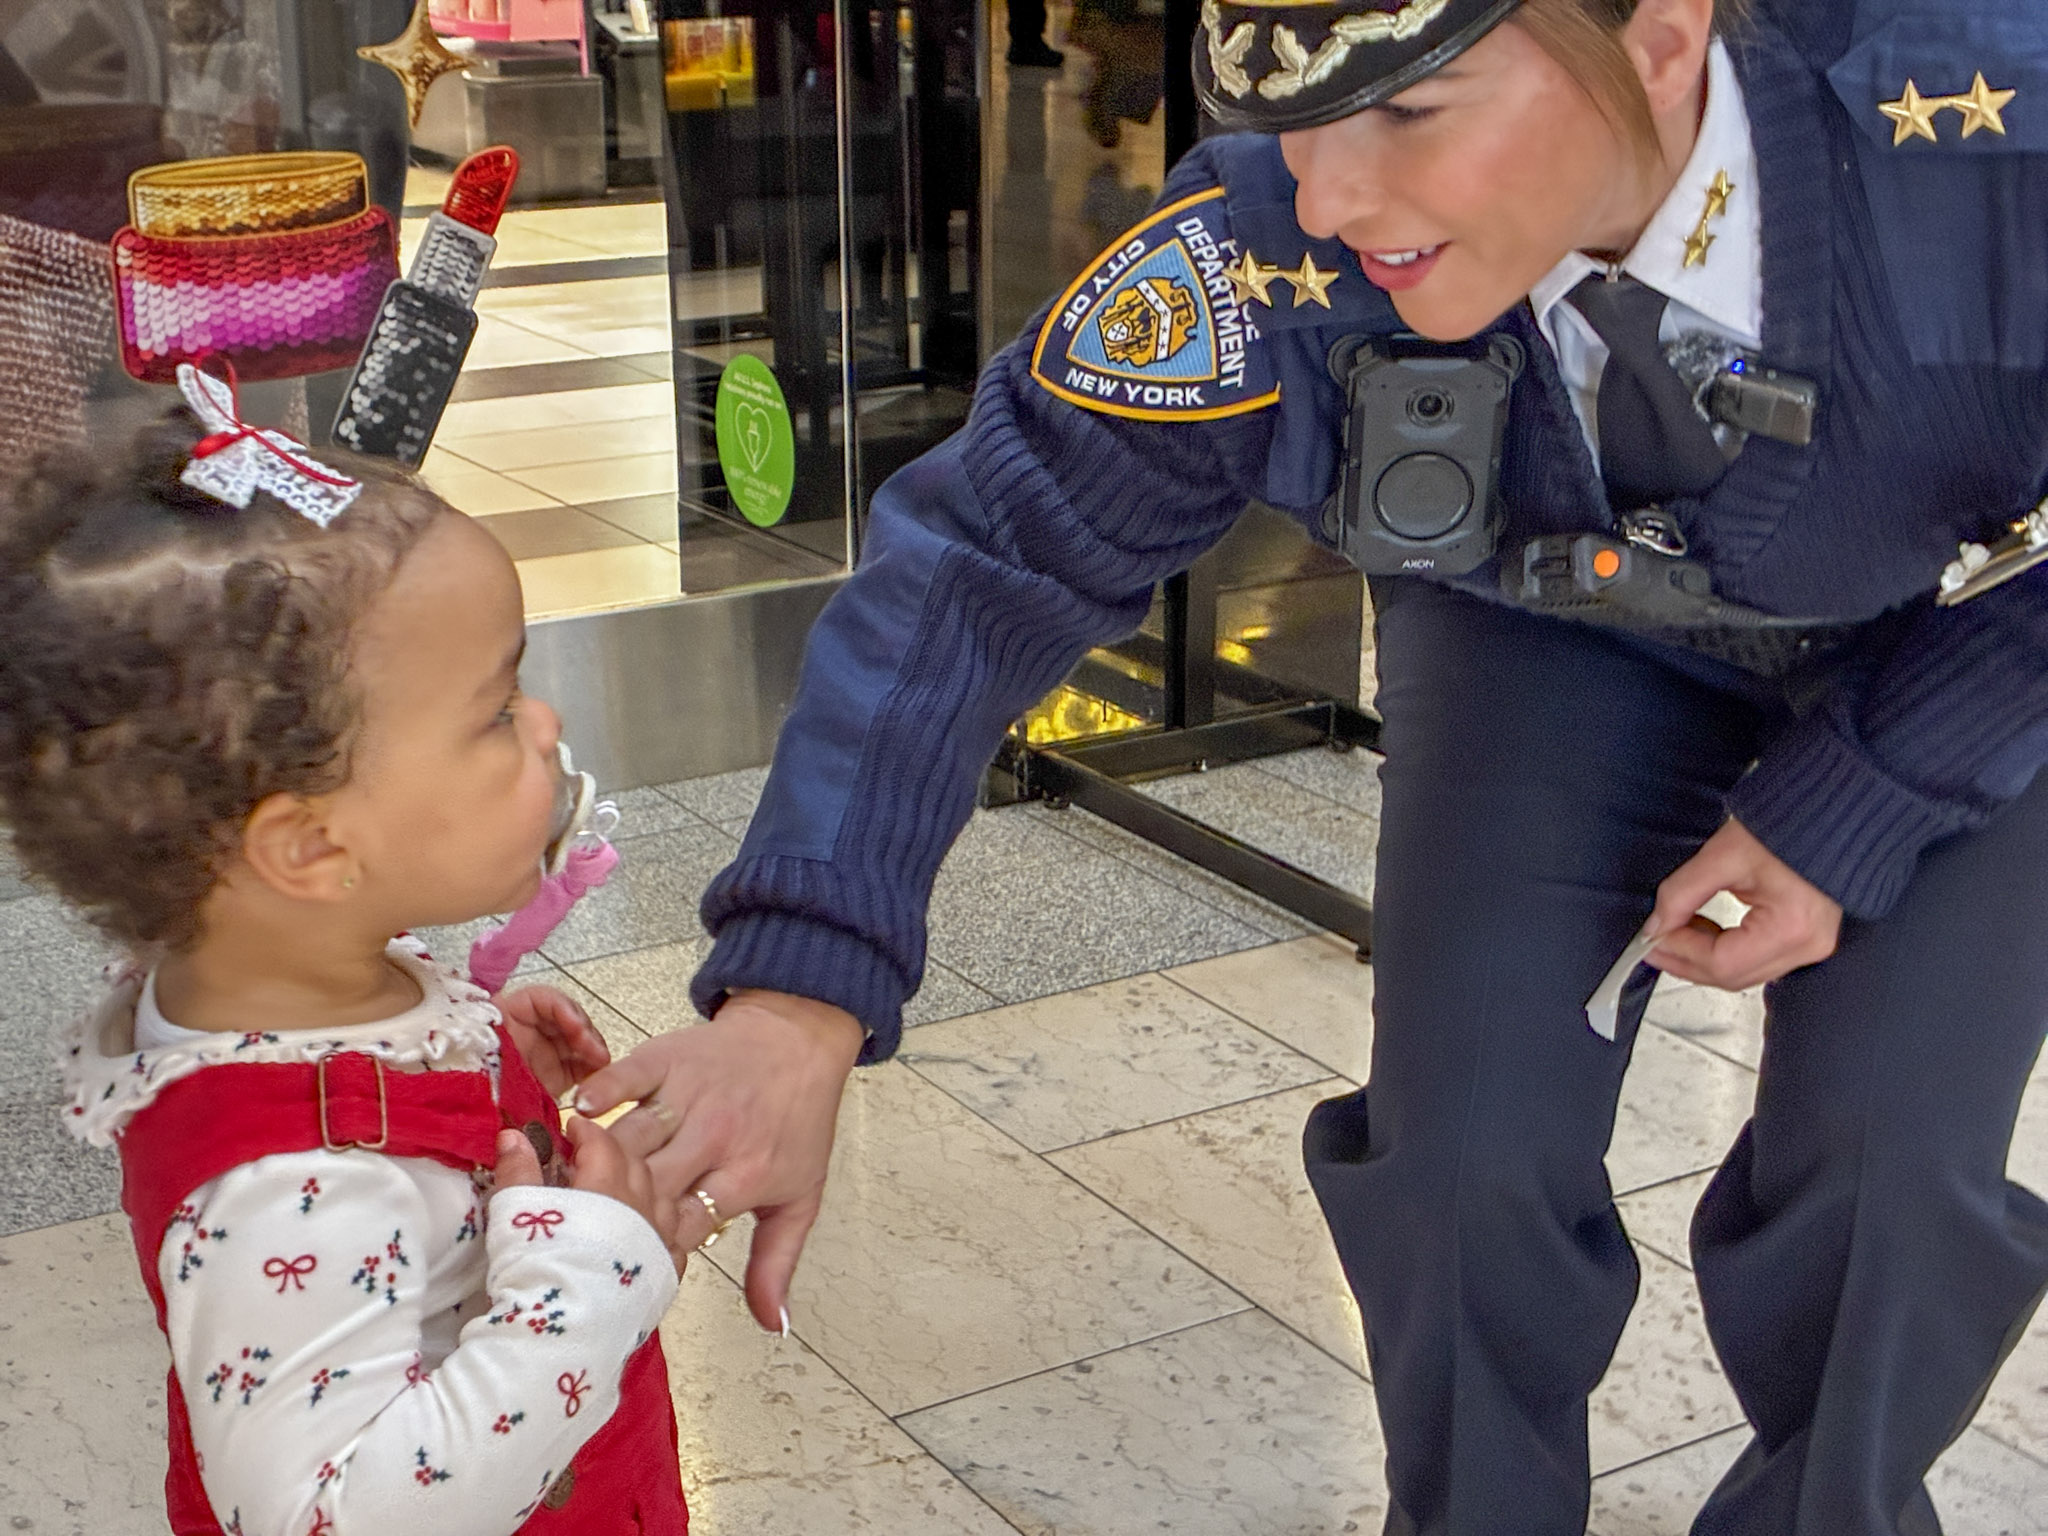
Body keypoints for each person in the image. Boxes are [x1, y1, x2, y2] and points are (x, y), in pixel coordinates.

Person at [577, 0, 2048, 1530]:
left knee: (1894, 1177)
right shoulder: (1258, 242)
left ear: (1664, 36)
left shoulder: (1986, 135)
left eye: (1412, 111)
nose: (1333, 196)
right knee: (1464, 1148)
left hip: (1963, 644)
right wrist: (798, 993)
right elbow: (991, 553)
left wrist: (1869, 795)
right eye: (1292, 113)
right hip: (1547, 634)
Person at [0, 371, 692, 1536]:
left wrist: (465, 1046)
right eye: (496, 706)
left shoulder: (275, 984)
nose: (547, 725)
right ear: (314, 848)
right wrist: (592, 1271)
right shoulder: (293, 1190)